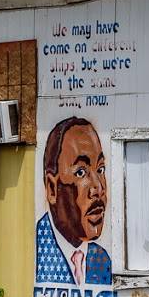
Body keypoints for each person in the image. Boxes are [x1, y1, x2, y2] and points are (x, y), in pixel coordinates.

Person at [35, 117, 112, 286]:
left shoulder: (102, 260)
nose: (98, 188)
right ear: (52, 189)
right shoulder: (35, 252)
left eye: (100, 169)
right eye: (80, 173)